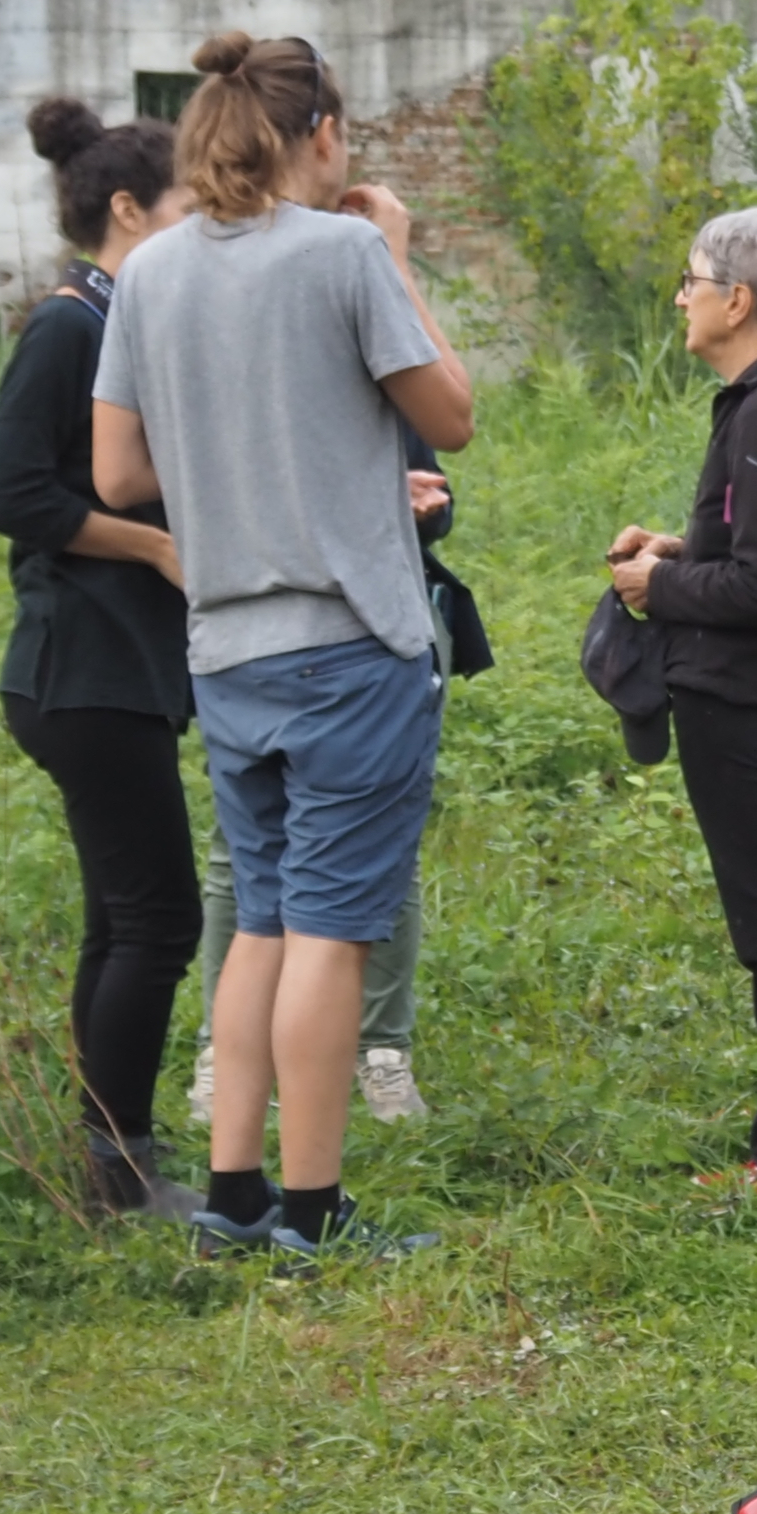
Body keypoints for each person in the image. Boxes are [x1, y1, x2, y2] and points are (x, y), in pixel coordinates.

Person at [91, 35, 473, 1264]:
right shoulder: (346, 252)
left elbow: (117, 474)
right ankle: (314, 1213)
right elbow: (450, 416)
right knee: (332, 927)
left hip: (227, 650)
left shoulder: (149, 275)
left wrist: (230, 465)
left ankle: (237, 1196)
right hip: (347, 638)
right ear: (321, 136)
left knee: (259, 918)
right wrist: (399, 259)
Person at [0, 102, 198, 1217]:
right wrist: (151, 544)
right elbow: (8, 493)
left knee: (126, 918)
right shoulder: (70, 327)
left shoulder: (122, 321)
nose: (200, 224)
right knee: (162, 919)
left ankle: (111, 1157)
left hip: (116, 670)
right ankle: (120, 1170)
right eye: (185, 206)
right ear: (126, 211)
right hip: (83, 667)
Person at [602, 206, 757, 1184]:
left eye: (692, 280)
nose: (680, 298)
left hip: (746, 696)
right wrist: (681, 547)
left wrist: (656, 588)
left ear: (738, 301)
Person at [191, 431, 480, 1131]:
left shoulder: (370, 350)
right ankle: (225, 1060)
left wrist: (413, 504)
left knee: (383, 853)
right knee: (246, 864)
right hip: (252, 632)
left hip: (375, 632)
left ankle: (381, 1051)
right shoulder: (216, 357)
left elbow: (440, 469)